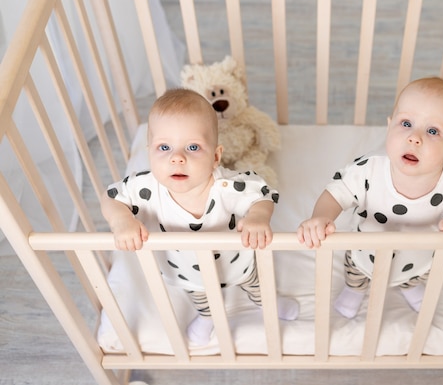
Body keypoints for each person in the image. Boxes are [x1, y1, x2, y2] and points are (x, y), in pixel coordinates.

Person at [101, 88, 298, 345]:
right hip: (187, 271)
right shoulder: (147, 187)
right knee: (201, 298)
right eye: (164, 147)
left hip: (238, 261)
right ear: (150, 152)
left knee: (256, 284)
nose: (177, 158)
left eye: (193, 147)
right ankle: (208, 318)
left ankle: (269, 302)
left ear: (216, 156)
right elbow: (112, 197)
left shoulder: (225, 185)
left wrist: (258, 218)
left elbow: (262, 193)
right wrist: (121, 220)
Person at [297, 77, 443, 318]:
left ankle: (410, 286)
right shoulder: (368, 170)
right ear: (389, 126)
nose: (415, 138)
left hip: (417, 259)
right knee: (356, 273)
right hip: (365, 254)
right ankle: (355, 291)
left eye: (433, 131)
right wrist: (321, 217)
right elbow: (335, 193)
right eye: (406, 123)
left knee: (415, 276)